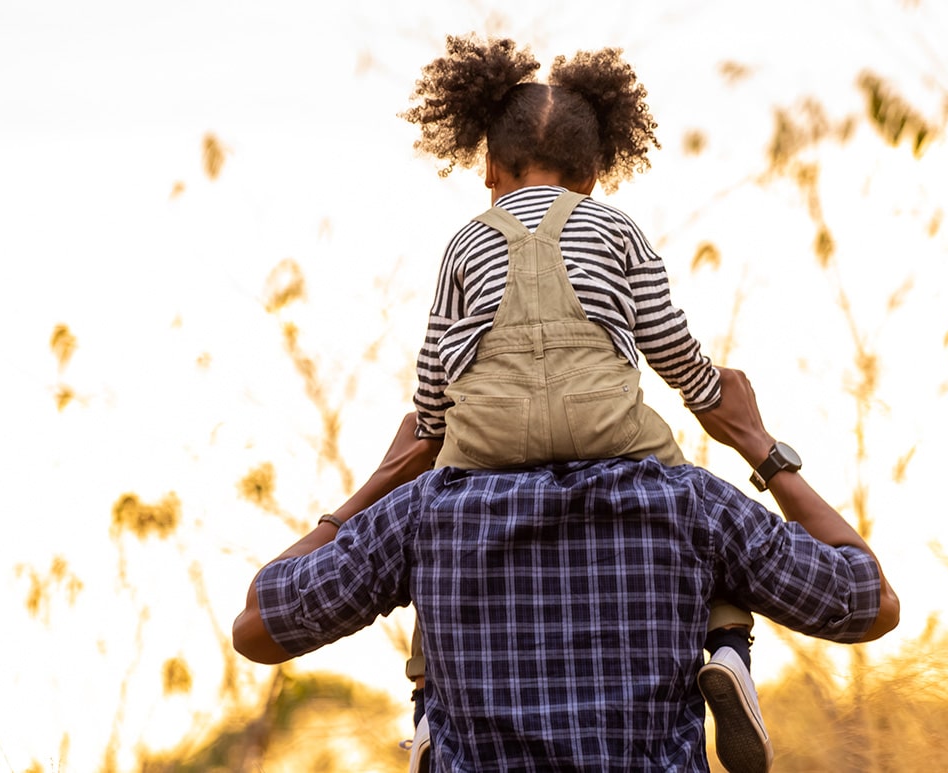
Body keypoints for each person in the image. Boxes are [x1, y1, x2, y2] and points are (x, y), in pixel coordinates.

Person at [321, 33, 783, 770]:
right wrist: (706, 394)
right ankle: (728, 648)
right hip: (611, 431)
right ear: (595, 172)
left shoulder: (465, 242)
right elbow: (669, 343)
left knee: (437, 532)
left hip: (485, 447)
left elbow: (437, 366)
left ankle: (429, 702)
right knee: (696, 506)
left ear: (489, 167)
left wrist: (436, 432)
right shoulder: (618, 228)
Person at [233, 368, 900, 772]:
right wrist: (758, 444)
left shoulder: (426, 511)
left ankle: (430, 708)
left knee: (439, 631)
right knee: (710, 567)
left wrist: (379, 482)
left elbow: (259, 624)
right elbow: (868, 599)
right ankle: (729, 643)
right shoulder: (686, 498)